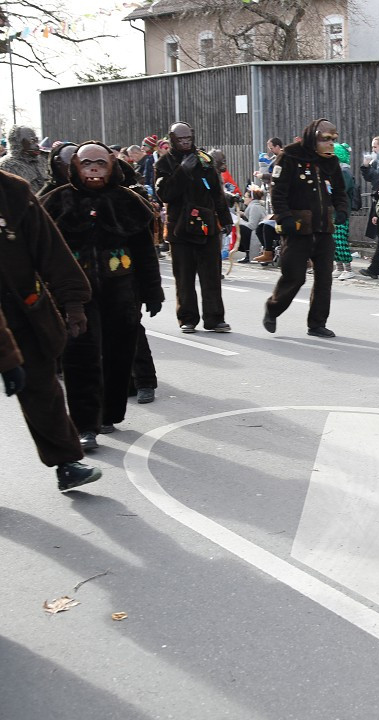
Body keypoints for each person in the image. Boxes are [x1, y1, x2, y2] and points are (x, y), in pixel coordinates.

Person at [41, 142, 163, 448]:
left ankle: (108, 413)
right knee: (80, 357)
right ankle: (85, 425)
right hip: (74, 296)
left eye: (100, 163)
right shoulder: (56, 202)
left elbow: (145, 253)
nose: (93, 169)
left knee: (118, 355)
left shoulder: (129, 201)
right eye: (86, 164)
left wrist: (152, 291)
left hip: (121, 293)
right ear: (74, 168)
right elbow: (41, 254)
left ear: (112, 166)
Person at [0, 168, 102, 490]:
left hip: (23, 314)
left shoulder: (13, 192)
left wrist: (73, 304)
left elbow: (52, 251)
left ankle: (67, 463)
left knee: (43, 391)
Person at [263, 118, 347, 338]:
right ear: (314, 137)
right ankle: (273, 308)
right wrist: (284, 217)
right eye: (326, 139)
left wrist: (341, 209)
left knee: (324, 278)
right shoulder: (290, 156)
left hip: (323, 228)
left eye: (334, 140)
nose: (331, 144)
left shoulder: (331, 162)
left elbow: (340, 191)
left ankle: (317, 323)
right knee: (295, 276)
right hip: (298, 229)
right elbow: (277, 191)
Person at [154, 122, 233, 333]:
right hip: (180, 228)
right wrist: (182, 171)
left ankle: (215, 318)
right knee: (184, 277)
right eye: (180, 139)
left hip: (207, 225)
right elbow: (165, 194)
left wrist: (225, 219)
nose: (185, 142)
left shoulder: (205, 159)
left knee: (212, 276)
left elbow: (216, 191)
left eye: (188, 138)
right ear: (172, 139)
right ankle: (187, 318)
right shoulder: (164, 163)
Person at [357, 135, 379, 278]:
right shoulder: (378, 162)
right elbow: (371, 178)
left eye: (375, 147)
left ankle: (375, 268)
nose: (373, 149)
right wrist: (365, 166)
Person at [332, 142, 358, 280]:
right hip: (334, 210)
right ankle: (339, 266)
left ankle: (348, 268)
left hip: (341, 211)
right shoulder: (337, 172)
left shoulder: (344, 172)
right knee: (334, 239)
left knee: (341, 239)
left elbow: (340, 190)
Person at [0, 126, 48, 193]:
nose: (37, 145)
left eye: (36, 140)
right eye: (32, 141)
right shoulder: (6, 166)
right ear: (18, 143)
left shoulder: (43, 160)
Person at [237, 186, 267, 263]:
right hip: (258, 230)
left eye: (246, 197)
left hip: (257, 233)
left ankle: (248, 254)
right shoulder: (255, 206)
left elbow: (252, 226)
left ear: (251, 198)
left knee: (241, 228)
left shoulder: (254, 207)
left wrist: (239, 221)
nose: (244, 198)